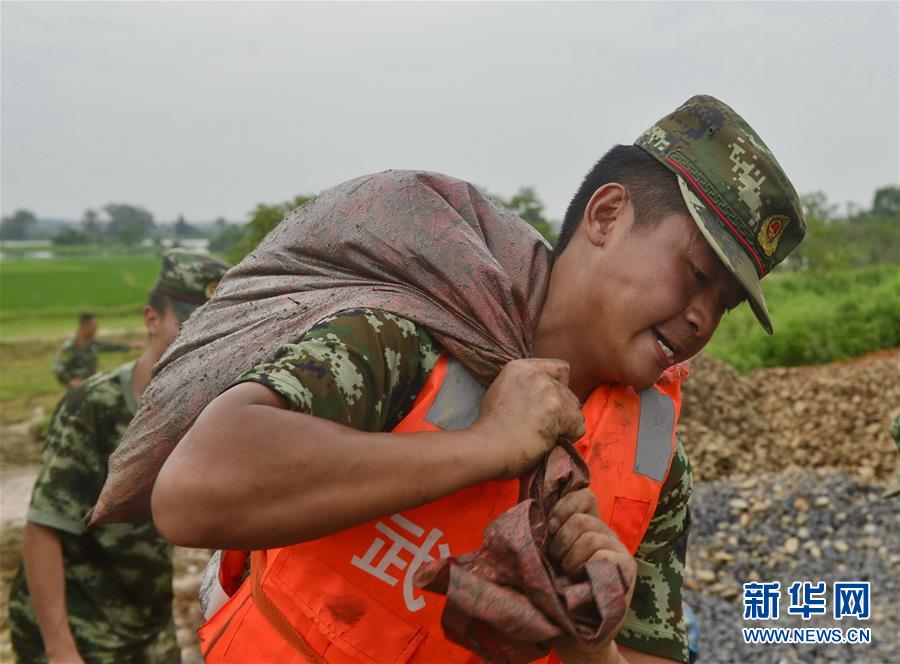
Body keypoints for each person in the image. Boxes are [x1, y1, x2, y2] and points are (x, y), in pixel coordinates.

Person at [151, 95, 806, 663]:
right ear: (607, 216)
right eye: (696, 274)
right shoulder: (413, 336)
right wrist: (485, 447)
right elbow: (191, 493)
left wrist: (587, 635)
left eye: (723, 305)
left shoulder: (657, 463)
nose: (701, 318)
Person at [8, 250, 229, 664]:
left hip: (148, 623)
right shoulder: (94, 406)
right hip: (80, 630)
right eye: (188, 325)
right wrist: (60, 650)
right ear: (152, 319)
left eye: (215, 327)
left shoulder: (206, 411)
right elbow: (43, 530)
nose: (201, 340)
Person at [52, 314, 142, 389]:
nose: (95, 331)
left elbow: (109, 346)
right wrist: (70, 381)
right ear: (85, 327)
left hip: (90, 385)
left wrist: (130, 346)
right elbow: (58, 368)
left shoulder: (91, 343)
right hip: (76, 390)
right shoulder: (69, 347)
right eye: (93, 328)